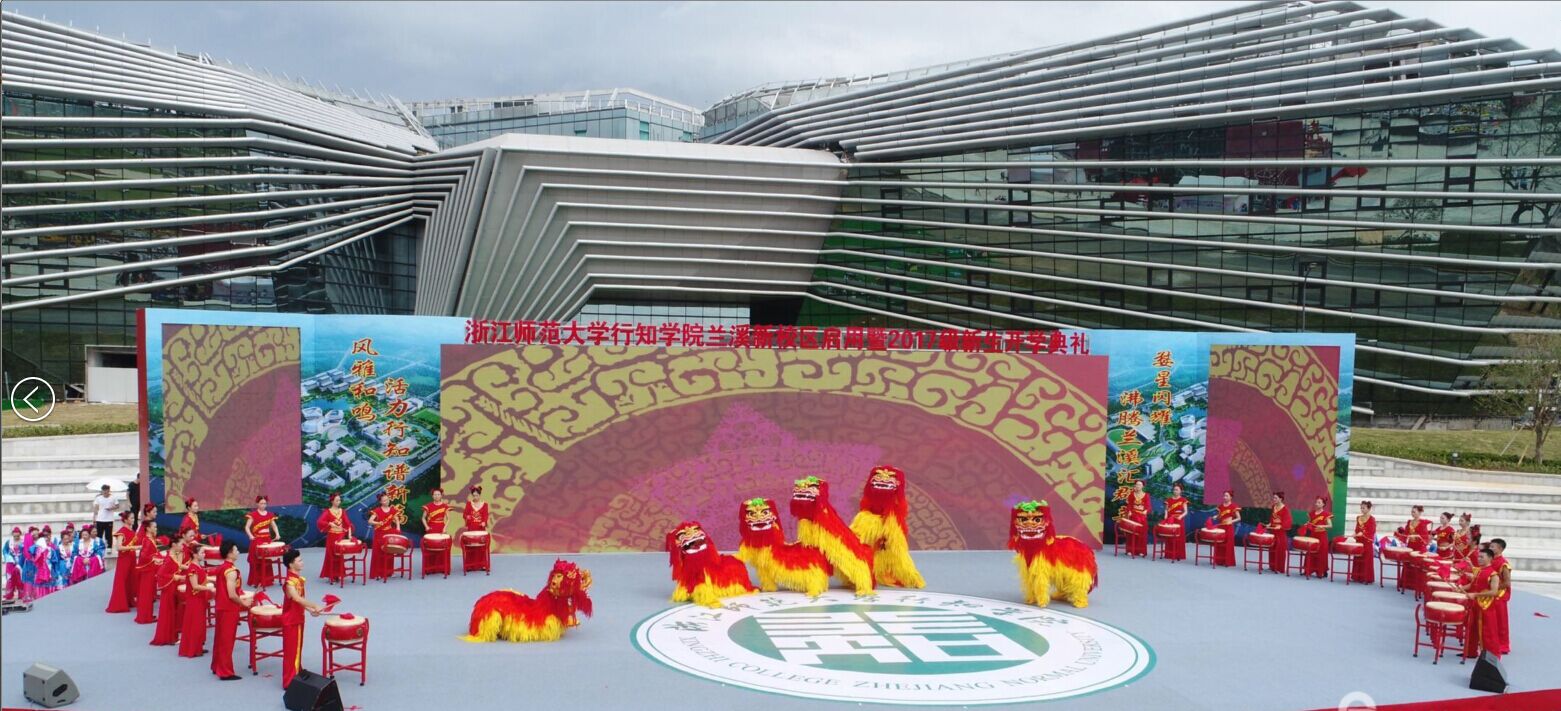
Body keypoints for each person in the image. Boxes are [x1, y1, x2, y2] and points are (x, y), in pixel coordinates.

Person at [279, 550, 325, 689]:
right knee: (291, 651)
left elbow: (299, 602)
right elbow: (297, 598)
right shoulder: (290, 583)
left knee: (297, 649)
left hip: (297, 618)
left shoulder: (297, 580)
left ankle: (296, 673)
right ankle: (289, 681)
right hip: (291, 620)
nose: (302, 562)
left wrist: (310, 610)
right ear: (291, 564)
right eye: (299, 561)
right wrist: (314, 605)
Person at [212, 541, 255, 680]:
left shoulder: (221, 567)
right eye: (236, 550)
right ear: (230, 553)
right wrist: (244, 603)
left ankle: (216, 666)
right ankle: (225, 672)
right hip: (229, 609)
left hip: (220, 606)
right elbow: (231, 594)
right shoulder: (231, 572)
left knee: (220, 639)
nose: (238, 552)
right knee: (227, 641)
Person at [151, 528, 195, 646]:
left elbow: (178, 567)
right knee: (169, 612)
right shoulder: (169, 558)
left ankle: (172, 636)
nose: (182, 547)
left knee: (173, 612)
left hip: (173, 587)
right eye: (180, 544)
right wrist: (176, 577)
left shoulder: (174, 555)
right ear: (174, 545)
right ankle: (167, 637)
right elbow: (160, 574)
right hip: (169, 589)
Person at [1465, 547, 1510, 658]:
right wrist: (1460, 588)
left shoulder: (1493, 575)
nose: (1479, 559)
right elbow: (1471, 585)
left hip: (1486, 607)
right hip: (1475, 604)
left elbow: (1494, 592)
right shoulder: (1479, 571)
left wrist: (1475, 595)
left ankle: (1491, 657)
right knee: (1472, 628)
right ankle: (1470, 652)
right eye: (1478, 557)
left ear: (1490, 558)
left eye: (1482, 557)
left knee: (1487, 633)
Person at [178, 545, 214, 659]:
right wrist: (210, 588)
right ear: (194, 554)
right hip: (194, 600)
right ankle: (192, 649)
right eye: (202, 553)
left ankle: (197, 646)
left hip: (200, 598)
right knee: (195, 624)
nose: (204, 554)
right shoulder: (192, 568)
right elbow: (195, 586)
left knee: (199, 624)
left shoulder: (197, 566)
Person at [245, 495, 282, 587]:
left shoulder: (269, 514)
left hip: (267, 539)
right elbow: (247, 527)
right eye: (261, 503)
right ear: (257, 504)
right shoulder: (253, 515)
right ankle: (256, 580)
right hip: (257, 540)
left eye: (265, 503)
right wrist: (250, 535)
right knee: (256, 560)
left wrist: (277, 534)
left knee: (267, 560)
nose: (263, 505)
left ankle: (267, 580)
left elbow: (274, 526)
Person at [1393, 505, 1431, 593]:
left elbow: (1425, 536)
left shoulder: (1422, 523)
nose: (1412, 513)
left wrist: (1417, 536)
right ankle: (1407, 583)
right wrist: (1399, 535)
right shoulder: (1409, 522)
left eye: (1414, 512)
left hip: (1419, 547)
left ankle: (1417, 584)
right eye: (1412, 512)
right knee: (1408, 563)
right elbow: (1406, 534)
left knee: (1417, 565)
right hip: (1410, 546)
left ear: (1419, 512)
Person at [107, 512, 140, 612]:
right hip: (124, 559)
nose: (133, 520)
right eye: (131, 518)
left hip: (132, 558)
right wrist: (135, 547)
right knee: (121, 580)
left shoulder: (131, 530)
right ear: (125, 520)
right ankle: (119, 604)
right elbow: (119, 547)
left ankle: (128, 600)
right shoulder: (122, 532)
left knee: (130, 579)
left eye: (133, 518)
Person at [315, 493, 351, 584]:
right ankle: (331, 575)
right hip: (332, 536)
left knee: (340, 555)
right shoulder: (327, 512)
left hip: (340, 536)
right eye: (337, 500)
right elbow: (320, 521)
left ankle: (338, 574)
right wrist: (329, 523)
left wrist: (349, 533)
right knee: (331, 555)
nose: (339, 502)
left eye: (339, 500)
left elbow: (348, 523)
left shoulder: (342, 511)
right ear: (332, 501)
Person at [1295, 496, 1331, 579]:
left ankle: (1321, 571)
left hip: (1322, 536)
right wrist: (1306, 524)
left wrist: (1322, 526)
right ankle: (1308, 570)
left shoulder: (1326, 514)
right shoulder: (1311, 513)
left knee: (1321, 554)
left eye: (1319, 502)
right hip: (1313, 536)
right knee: (1310, 552)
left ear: (1323, 504)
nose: (1317, 504)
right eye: (1316, 502)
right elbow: (1310, 522)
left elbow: (1330, 525)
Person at [1339, 500, 1376, 584]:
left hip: (1366, 542)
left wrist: (1363, 534)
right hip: (1359, 541)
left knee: (1366, 559)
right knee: (1358, 557)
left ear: (1369, 508)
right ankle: (1357, 576)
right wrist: (1354, 534)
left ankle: (1366, 577)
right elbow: (1357, 530)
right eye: (1361, 508)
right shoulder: (1358, 518)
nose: (1362, 509)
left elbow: (1372, 531)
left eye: (1364, 508)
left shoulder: (1372, 519)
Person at [367, 491, 400, 581]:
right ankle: (378, 573)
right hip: (379, 534)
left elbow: (397, 520)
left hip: (389, 533)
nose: (386, 501)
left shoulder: (392, 510)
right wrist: (377, 523)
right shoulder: (377, 510)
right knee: (378, 553)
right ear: (380, 502)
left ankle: (389, 572)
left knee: (390, 552)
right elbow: (370, 521)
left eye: (387, 499)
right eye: (384, 500)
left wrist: (398, 528)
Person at [133, 526, 163, 625]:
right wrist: (154, 559)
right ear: (148, 528)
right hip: (148, 570)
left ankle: (146, 615)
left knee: (147, 593)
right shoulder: (147, 540)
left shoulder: (149, 539)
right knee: (146, 594)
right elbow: (144, 556)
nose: (156, 528)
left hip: (149, 569)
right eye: (154, 527)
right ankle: (145, 617)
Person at [422, 488, 452, 577]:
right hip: (431, 528)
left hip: (441, 529)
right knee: (430, 549)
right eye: (435, 494)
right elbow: (423, 518)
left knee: (442, 549)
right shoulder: (428, 506)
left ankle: (442, 568)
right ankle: (430, 568)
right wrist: (426, 526)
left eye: (438, 494)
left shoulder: (445, 506)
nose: (437, 496)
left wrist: (445, 528)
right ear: (432, 496)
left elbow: (449, 519)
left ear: (441, 495)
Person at [462, 485, 492, 573]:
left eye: (477, 495)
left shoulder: (485, 505)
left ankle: (482, 564)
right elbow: (464, 514)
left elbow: (485, 515)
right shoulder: (469, 504)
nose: (475, 497)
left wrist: (484, 522)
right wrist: (467, 516)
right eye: (474, 495)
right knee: (471, 546)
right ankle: (470, 565)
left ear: (480, 495)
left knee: (481, 547)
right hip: (471, 527)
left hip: (480, 528)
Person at [1120, 480, 1150, 558]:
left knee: (1142, 532)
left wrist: (1145, 511)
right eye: (1137, 484)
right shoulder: (1132, 495)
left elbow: (1148, 506)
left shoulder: (1146, 495)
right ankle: (1130, 550)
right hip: (1133, 514)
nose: (1138, 486)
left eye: (1139, 485)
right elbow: (1129, 505)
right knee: (1131, 533)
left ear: (1142, 486)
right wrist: (1129, 511)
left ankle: (1141, 550)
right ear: (1135, 486)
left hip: (1142, 515)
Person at [1265, 492, 1293, 575]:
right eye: (1273, 498)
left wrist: (1281, 526)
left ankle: (1279, 567)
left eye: (1276, 498)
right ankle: (1272, 566)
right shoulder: (1274, 507)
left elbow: (1288, 521)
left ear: (1281, 499)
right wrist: (1269, 524)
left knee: (1280, 549)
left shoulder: (1285, 509)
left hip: (1280, 532)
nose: (1274, 499)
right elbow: (1272, 518)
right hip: (1273, 531)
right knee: (1272, 548)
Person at [1160, 483, 1187, 561]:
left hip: (1179, 520)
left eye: (1177, 490)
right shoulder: (1168, 500)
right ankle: (1169, 554)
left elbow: (1186, 511)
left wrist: (1181, 516)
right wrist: (1165, 515)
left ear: (1180, 491)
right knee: (1170, 537)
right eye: (1174, 490)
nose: (1175, 491)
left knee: (1179, 537)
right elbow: (1166, 510)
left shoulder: (1183, 500)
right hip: (1170, 519)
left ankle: (1179, 554)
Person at [1213, 490, 1239, 567]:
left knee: (1228, 544)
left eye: (1227, 496)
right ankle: (1219, 560)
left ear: (1231, 497)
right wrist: (1216, 517)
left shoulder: (1234, 506)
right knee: (1219, 543)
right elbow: (1219, 516)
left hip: (1229, 527)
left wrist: (1231, 521)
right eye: (1224, 496)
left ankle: (1228, 561)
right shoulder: (1221, 506)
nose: (1225, 497)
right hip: (1221, 527)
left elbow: (1239, 518)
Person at [4, 528, 27, 602]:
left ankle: (21, 594)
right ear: (12, 535)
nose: (16, 537)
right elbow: (4, 551)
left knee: (20, 578)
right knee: (10, 578)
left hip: (21, 562)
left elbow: (25, 551)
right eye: (15, 536)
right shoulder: (9, 542)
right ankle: (9, 594)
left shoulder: (23, 542)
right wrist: (8, 557)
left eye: (18, 536)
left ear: (20, 535)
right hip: (11, 563)